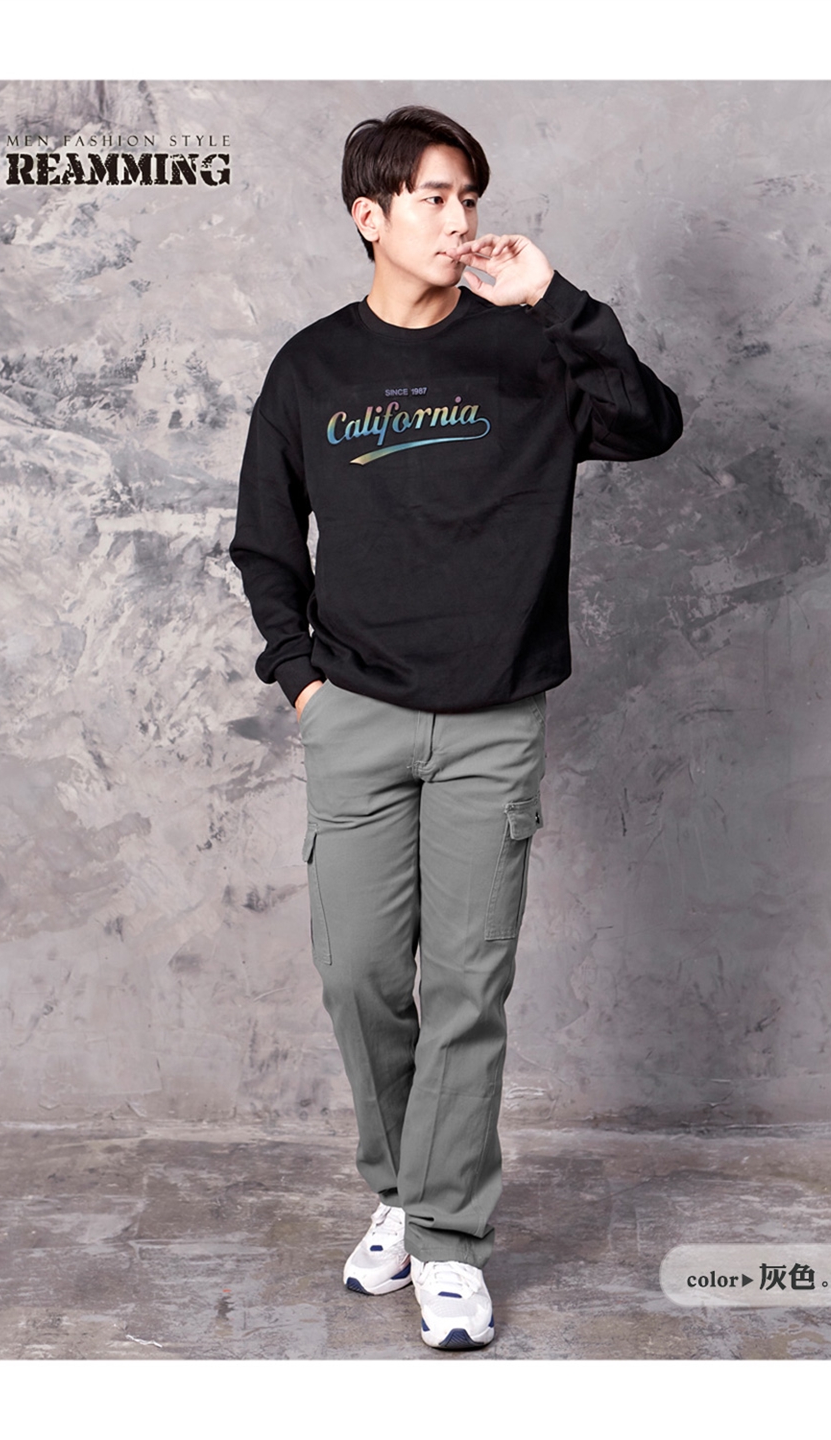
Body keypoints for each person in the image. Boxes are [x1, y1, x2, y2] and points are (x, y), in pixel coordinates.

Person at [230, 105, 682, 1350]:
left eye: (468, 195)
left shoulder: (530, 349)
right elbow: (265, 544)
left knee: (468, 988)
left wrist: (560, 304)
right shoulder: (312, 369)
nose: (459, 217)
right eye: (432, 196)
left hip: (492, 725)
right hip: (357, 716)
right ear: (368, 216)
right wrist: (303, 683)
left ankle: (447, 1239)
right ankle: (400, 1187)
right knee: (363, 979)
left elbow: (651, 426)